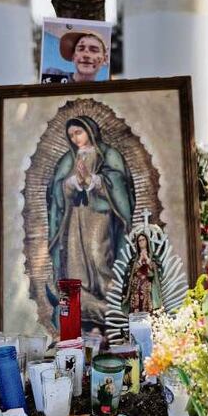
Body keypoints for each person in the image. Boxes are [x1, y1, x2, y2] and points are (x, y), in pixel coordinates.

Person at [47, 116, 135, 329]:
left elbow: (121, 183)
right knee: (75, 259)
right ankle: (81, 308)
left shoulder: (108, 155)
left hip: (100, 215)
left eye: (79, 132)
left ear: (89, 130)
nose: (75, 138)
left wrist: (95, 181)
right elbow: (56, 189)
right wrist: (72, 183)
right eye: (71, 135)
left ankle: (108, 301)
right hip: (75, 216)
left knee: (98, 255)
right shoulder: (69, 159)